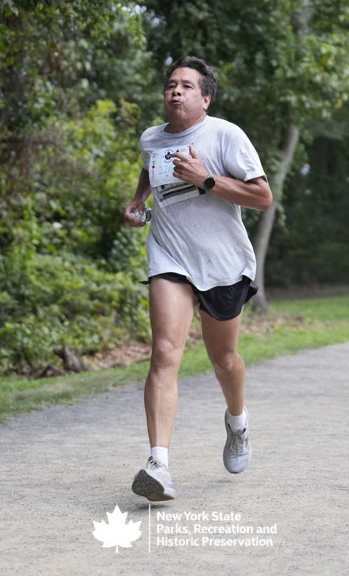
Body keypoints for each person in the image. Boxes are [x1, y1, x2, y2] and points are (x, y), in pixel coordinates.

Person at [123, 56, 273, 501]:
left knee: (223, 360)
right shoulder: (151, 138)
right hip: (169, 255)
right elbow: (150, 166)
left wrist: (206, 179)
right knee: (164, 352)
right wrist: (138, 200)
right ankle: (159, 464)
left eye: (187, 85)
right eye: (171, 84)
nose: (176, 90)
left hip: (222, 263)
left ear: (205, 98)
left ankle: (237, 421)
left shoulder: (225, 135)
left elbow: (262, 197)